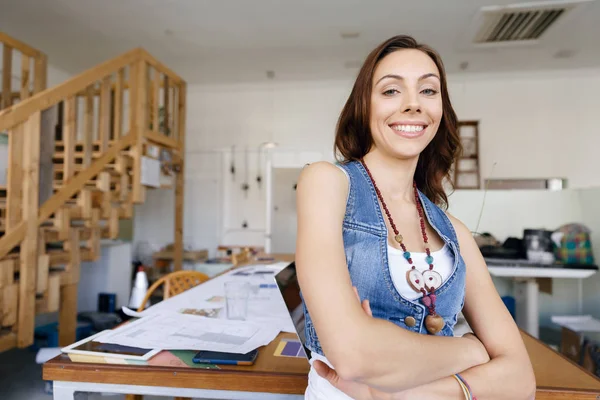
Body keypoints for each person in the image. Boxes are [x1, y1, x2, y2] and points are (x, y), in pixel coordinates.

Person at [295, 35, 536, 400]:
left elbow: (519, 381)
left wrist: (396, 395)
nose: (412, 105)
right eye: (391, 91)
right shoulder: (327, 182)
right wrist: (470, 351)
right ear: (364, 105)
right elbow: (355, 356)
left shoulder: (454, 232)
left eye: (428, 90)